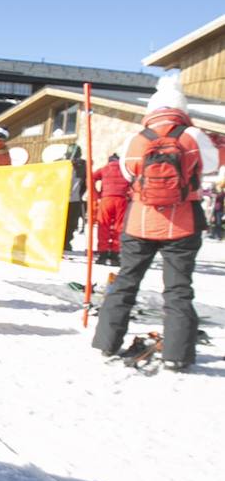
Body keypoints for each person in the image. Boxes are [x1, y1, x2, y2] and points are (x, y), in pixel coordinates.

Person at [92, 77, 218, 371]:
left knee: (125, 282)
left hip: (139, 222)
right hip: (183, 223)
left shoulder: (136, 138)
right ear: (181, 109)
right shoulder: (193, 135)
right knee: (178, 289)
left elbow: (126, 173)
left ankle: (106, 342)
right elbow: (211, 166)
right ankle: (177, 355)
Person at [92, 152, 130, 265]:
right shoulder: (125, 169)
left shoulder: (104, 169)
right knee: (119, 227)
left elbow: (91, 178)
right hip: (121, 200)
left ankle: (102, 254)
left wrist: (96, 194)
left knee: (103, 225)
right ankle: (115, 255)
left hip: (106, 199)